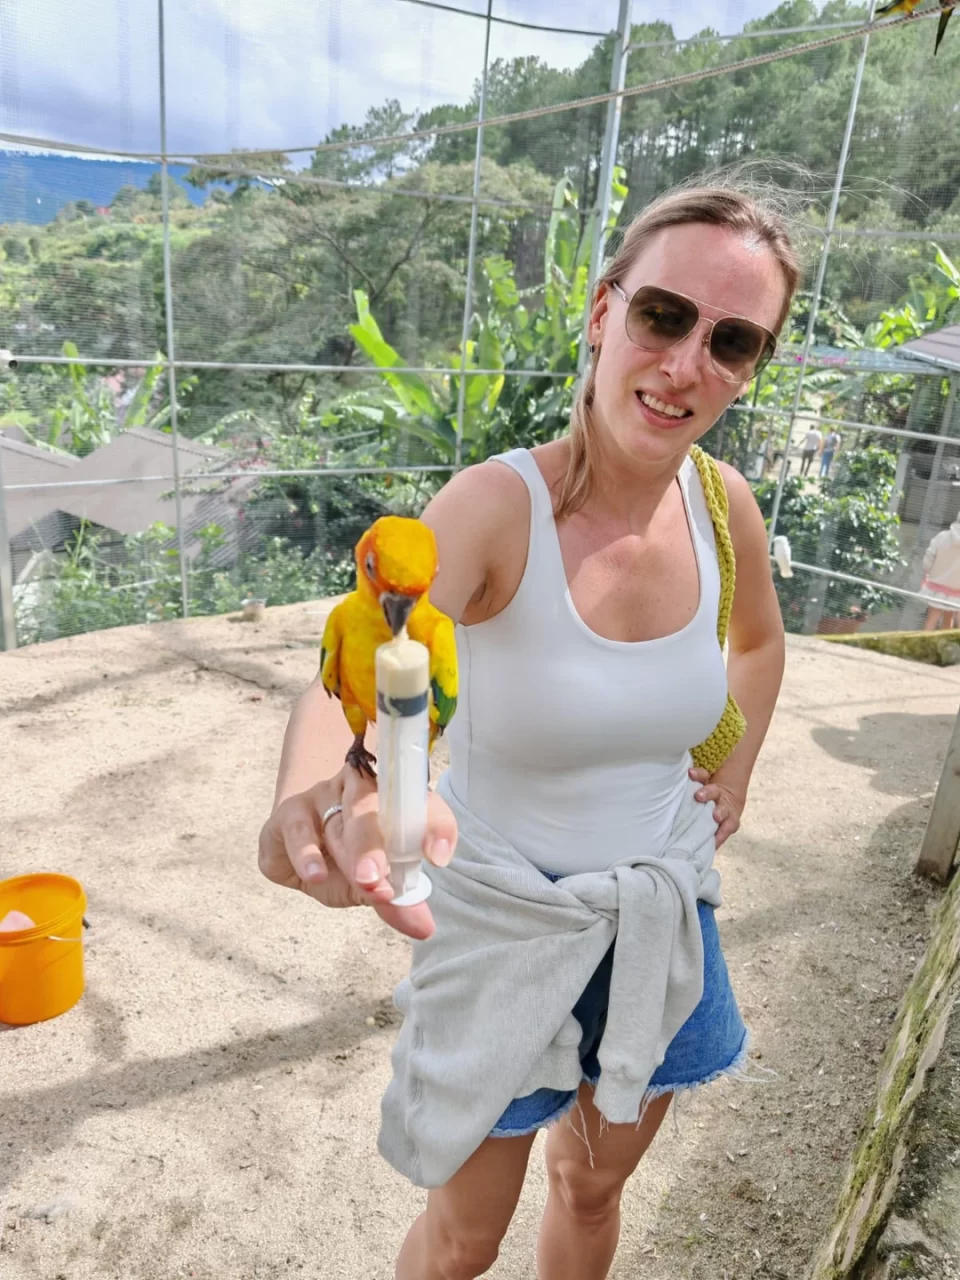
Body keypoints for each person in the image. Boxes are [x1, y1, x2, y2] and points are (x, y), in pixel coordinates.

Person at [258, 180, 797, 1280]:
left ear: (750, 366)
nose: (687, 364)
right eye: (664, 316)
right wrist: (324, 792)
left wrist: (733, 772)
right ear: (603, 311)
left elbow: (758, 643)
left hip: (656, 916)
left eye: (732, 340)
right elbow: (361, 660)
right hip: (503, 920)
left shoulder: (723, 505)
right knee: (465, 1238)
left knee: (591, 1189)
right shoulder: (501, 507)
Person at [921, 512, 960, 631]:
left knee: (931, 619)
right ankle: (947, 643)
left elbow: (928, 559)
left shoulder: (942, 536)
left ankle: (924, 642)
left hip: (937, 586)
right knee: (950, 620)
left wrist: (928, 572)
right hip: (958, 590)